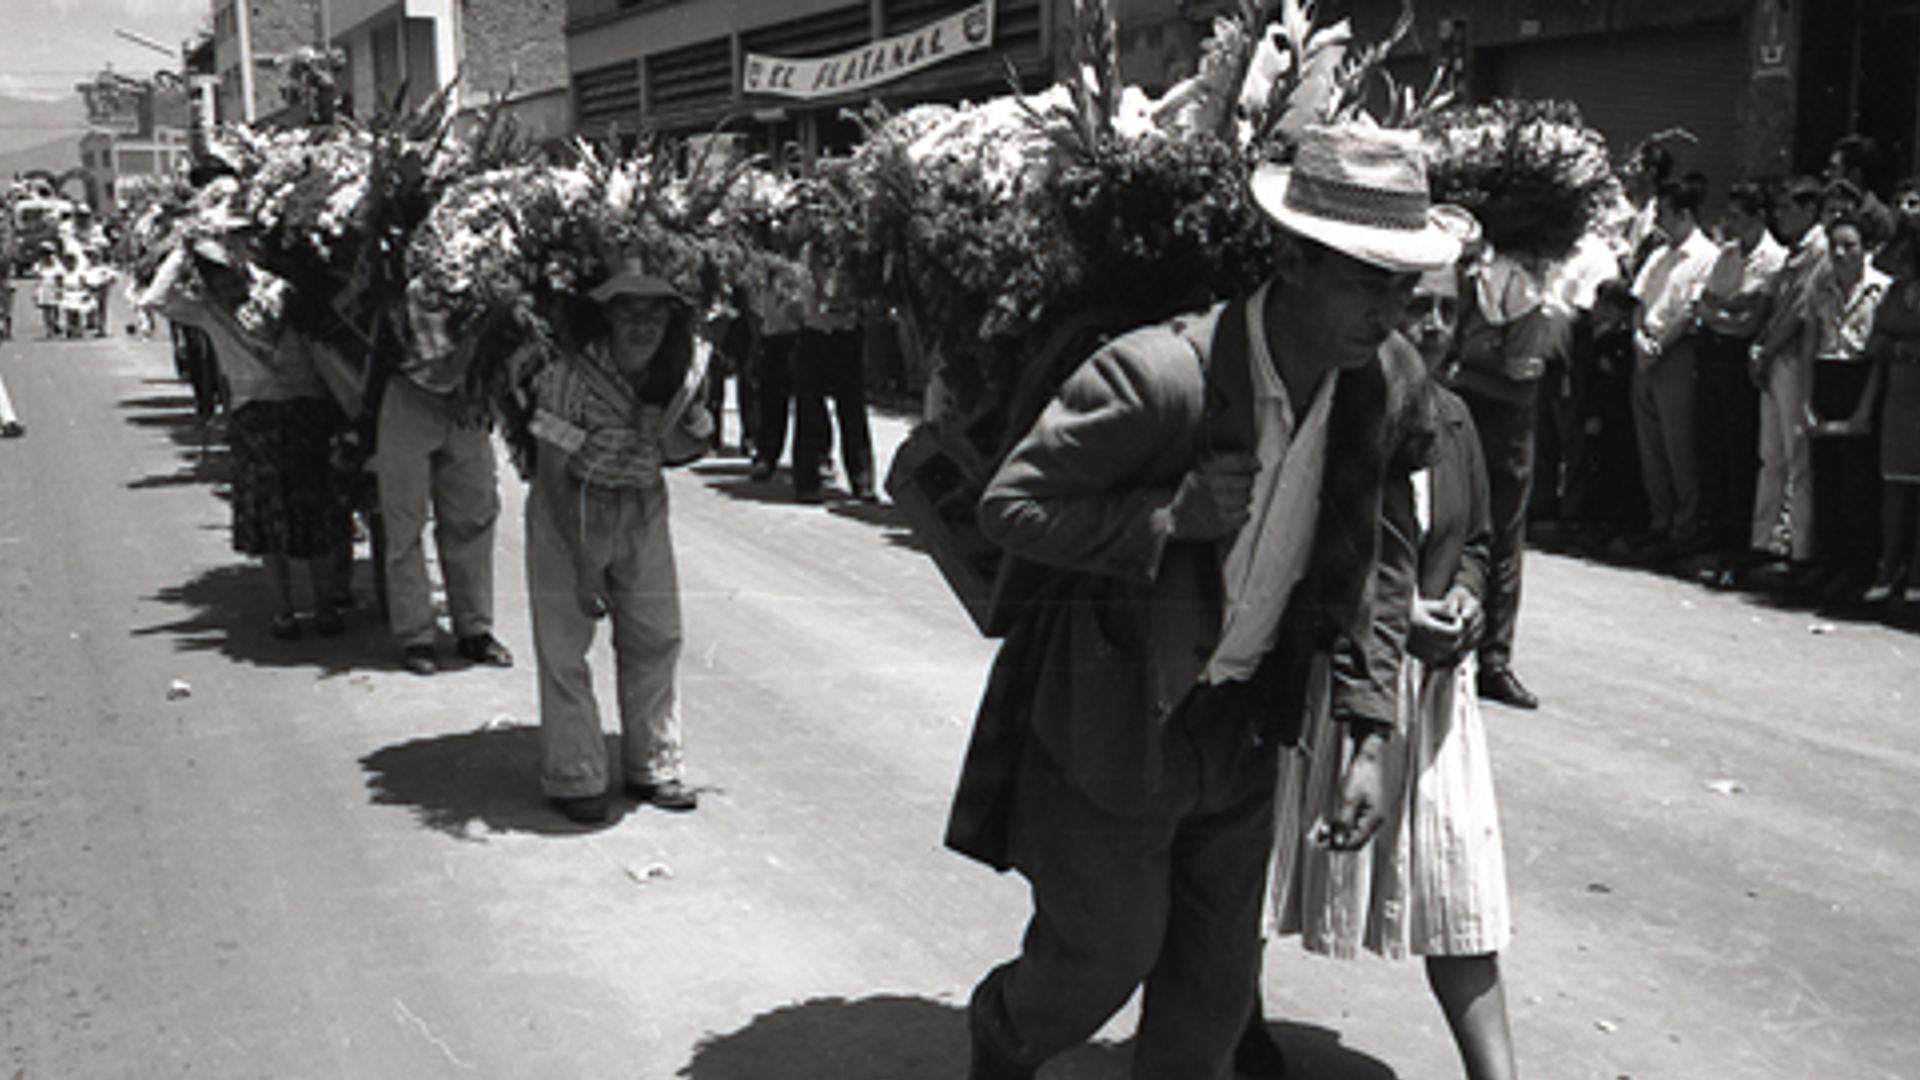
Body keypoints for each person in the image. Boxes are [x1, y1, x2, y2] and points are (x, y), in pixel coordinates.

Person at [949, 122, 1457, 1080]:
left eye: (1403, 285)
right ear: (1291, 261)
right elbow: (1009, 507)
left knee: (1213, 994)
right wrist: (1162, 520)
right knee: (1100, 959)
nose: (1392, 313)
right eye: (1366, 280)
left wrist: (1369, 732)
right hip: (1116, 714)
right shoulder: (1158, 377)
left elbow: (1383, 566)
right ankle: (1001, 1036)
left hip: (1246, 722)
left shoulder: (1383, 387)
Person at [1272, 253, 1519, 1080]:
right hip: (1330, 683)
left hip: (1435, 695)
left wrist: (1468, 603)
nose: (1436, 329)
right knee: (1264, 867)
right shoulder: (1333, 409)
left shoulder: (1453, 418)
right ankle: (1228, 1024)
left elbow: (1478, 539)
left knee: (1459, 883)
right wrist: (1386, 615)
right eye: (1420, 307)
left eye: (1451, 311)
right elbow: (1298, 548)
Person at [523, 262, 711, 823]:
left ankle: (654, 765)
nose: (642, 325)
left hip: (643, 508)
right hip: (573, 505)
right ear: (607, 316)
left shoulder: (680, 372)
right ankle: (576, 774)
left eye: (654, 312)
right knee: (565, 648)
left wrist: (673, 429)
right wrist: (582, 562)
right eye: (628, 311)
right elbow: (552, 470)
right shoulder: (568, 378)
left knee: (658, 638)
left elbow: (682, 453)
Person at [144, 240, 353, 638]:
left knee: (317, 516)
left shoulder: (283, 293)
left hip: (307, 413)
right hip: (254, 421)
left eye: (228, 274)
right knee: (269, 524)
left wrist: (238, 250)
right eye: (214, 278)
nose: (225, 287)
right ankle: (284, 613)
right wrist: (185, 247)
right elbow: (155, 298)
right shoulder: (206, 311)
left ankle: (327, 607)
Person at [377, 281, 514, 675]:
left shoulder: (482, 261)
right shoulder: (403, 268)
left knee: (473, 516)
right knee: (405, 523)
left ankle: (474, 629)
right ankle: (416, 635)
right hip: (410, 395)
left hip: (467, 402)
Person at [1448, 238, 1562, 709]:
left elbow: (1522, 371)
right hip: (1486, 419)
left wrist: (1462, 370)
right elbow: (1520, 369)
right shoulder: (1498, 282)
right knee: (1486, 537)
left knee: (1495, 536)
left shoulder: (1502, 283)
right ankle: (1480, 653)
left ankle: (1489, 656)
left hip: (1496, 421)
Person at [1623, 177, 1722, 566]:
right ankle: (1659, 520)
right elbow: (1639, 300)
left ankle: (1685, 525)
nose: (1658, 220)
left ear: (1684, 214)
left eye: (1664, 212)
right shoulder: (1659, 255)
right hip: (1645, 351)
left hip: (1676, 354)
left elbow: (1691, 310)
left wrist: (1660, 344)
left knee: (1678, 443)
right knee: (1651, 444)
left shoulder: (1705, 256)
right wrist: (1638, 338)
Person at [1694, 181, 1787, 570]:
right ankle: (1712, 533)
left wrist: (1726, 313)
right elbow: (1706, 302)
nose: (1729, 223)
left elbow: (1751, 320)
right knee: (1711, 444)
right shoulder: (1727, 254)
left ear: (1758, 217)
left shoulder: (1773, 259)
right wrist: (1726, 310)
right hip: (1714, 353)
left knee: (1740, 449)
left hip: (1739, 361)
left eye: (1737, 216)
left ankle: (1737, 537)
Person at [1744, 177, 1831, 586]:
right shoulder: (1793, 253)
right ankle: (1764, 543)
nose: (1781, 216)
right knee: (1771, 456)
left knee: (1798, 459)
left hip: (1794, 359)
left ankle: (1799, 549)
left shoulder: (1819, 251)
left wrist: (1767, 347)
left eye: (1788, 209)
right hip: (1775, 357)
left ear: (1810, 210)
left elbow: (1800, 308)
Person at [1800, 214, 1890, 607]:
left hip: (1859, 380)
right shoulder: (1820, 288)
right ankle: (1830, 563)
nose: (1840, 253)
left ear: (1865, 248)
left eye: (1849, 245)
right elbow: (1808, 348)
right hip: (1826, 377)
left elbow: (1878, 360)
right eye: (1835, 245)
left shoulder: (1881, 290)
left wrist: (1864, 409)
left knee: (1858, 486)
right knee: (1827, 482)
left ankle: (1858, 569)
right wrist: (1805, 403)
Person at [1864, 194, 1920, 621]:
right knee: (1895, 489)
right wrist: (1894, 347)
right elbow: (1874, 339)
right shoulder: (1896, 294)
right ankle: (1887, 570)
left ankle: (1916, 578)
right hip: (1899, 402)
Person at [790, 251, 877, 503]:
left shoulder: (852, 252)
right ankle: (807, 482)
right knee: (808, 408)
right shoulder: (806, 254)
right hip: (814, 332)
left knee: (851, 408)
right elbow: (797, 295)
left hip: (845, 333)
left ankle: (862, 480)